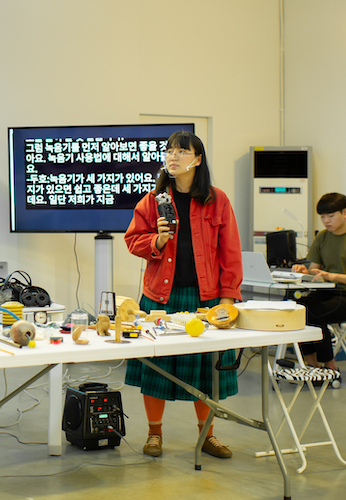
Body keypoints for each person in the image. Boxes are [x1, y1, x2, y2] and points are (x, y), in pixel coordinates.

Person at [124, 131, 243, 460]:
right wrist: (157, 241)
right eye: (169, 151)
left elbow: (231, 252)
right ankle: (154, 434)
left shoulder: (217, 200)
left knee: (206, 371)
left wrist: (228, 298)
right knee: (155, 367)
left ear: (197, 159)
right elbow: (133, 240)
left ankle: (207, 435)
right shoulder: (153, 200)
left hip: (206, 298)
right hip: (160, 297)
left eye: (181, 151)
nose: (173, 157)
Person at [291, 193, 346, 378]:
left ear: (345, 213)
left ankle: (330, 367)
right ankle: (311, 364)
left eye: (331, 216)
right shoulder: (322, 237)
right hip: (328, 293)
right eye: (322, 217)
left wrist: (332, 276)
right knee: (296, 309)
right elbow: (314, 270)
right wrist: (303, 271)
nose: (326, 221)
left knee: (314, 313)